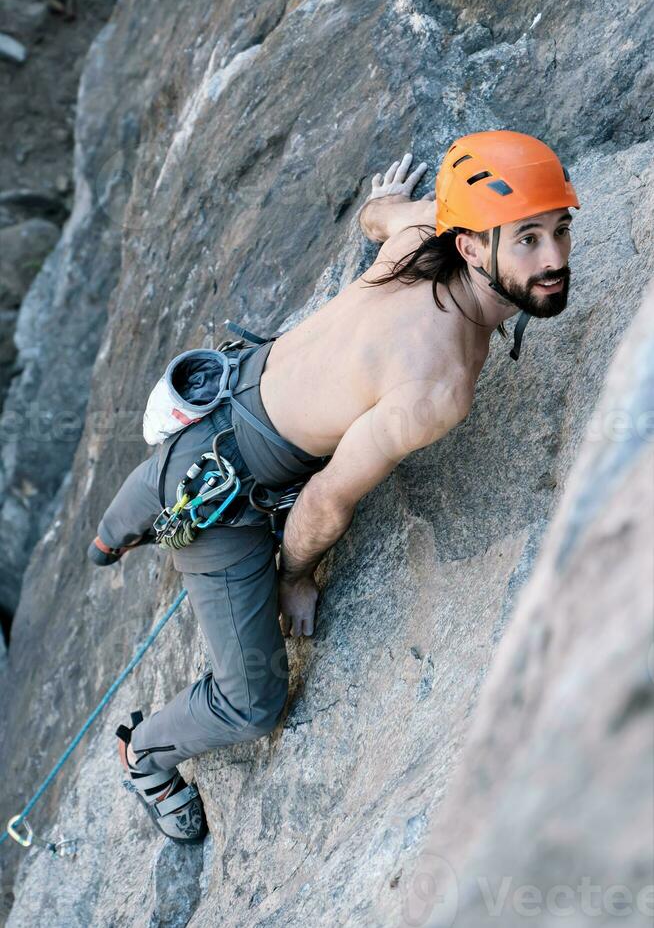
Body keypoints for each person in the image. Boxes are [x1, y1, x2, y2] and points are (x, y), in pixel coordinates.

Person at [90, 129, 580, 843]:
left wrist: (385, 198)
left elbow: (378, 216)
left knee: (127, 520)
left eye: (561, 231)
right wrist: (293, 574)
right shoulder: (438, 386)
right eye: (529, 239)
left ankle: (112, 535)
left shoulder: (423, 232)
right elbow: (323, 501)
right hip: (222, 499)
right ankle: (145, 753)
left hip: (225, 393)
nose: (556, 259)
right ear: (473, 247)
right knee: (253, 704)